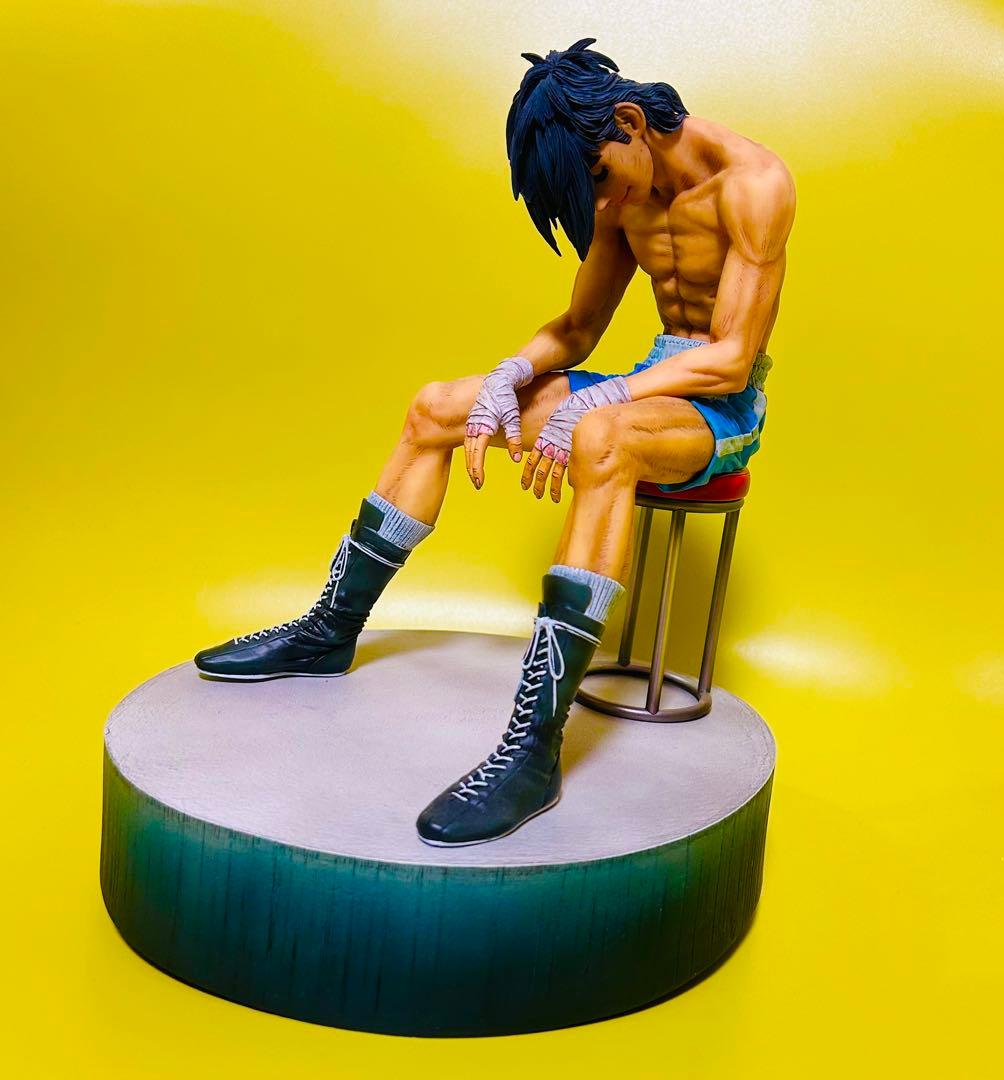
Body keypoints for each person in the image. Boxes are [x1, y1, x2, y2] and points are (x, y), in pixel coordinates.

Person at [193, 37, 796, 847]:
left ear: (628, 121)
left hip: (720, 412)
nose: (602, 204)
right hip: (650, 381)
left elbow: (729, 359)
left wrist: (605, 399)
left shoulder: (755, 185)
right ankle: (328, 631)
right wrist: (508, 378)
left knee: (603, 438)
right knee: (437, 407)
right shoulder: (620, 193)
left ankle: (532, 751)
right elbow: (578, 328)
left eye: (600, 180)